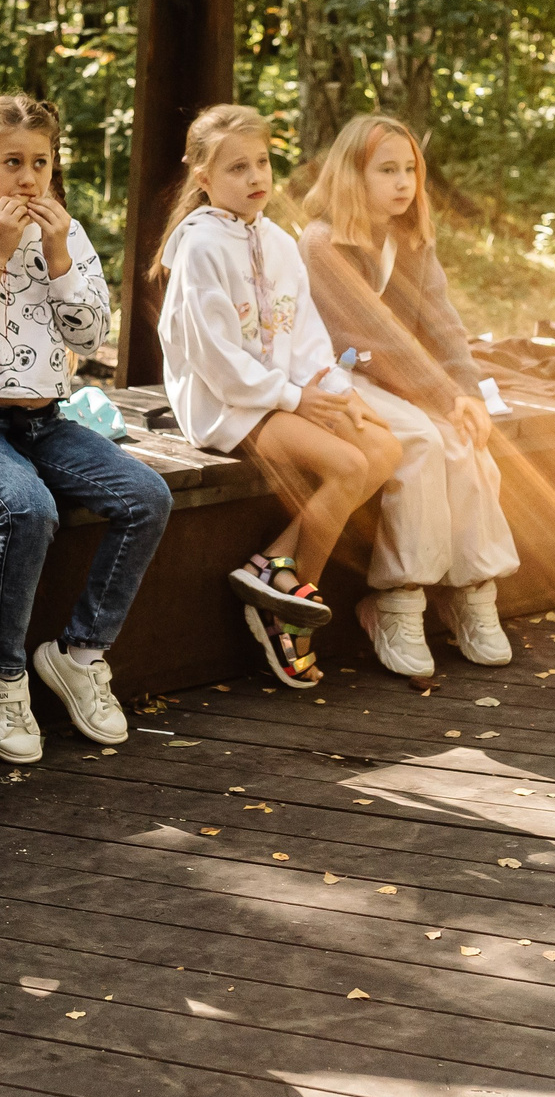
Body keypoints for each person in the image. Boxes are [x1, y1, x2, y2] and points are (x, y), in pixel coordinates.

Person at [0, 93, 171, 765]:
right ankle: (1, 673)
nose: (29, 178)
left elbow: (91, 336)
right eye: (12, 162)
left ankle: (79, 655)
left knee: (147, 495)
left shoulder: (69, 236)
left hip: (44, 423)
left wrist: (58, 257)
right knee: (29, 507)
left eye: (40, 162)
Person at [156, 104, 401, 688]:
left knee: (385, 448)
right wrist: (294, 399)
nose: (255, 177)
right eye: (237, 167)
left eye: (262, 162)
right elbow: (218, 361)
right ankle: (289, 616)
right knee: (347, 466)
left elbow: (307, 335)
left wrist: (337, 392)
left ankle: (270, 566)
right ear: (203, 177)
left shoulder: (279, 241)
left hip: (283, 395)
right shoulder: (200, 248)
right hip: (226, 404)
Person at [300, 114, 519, 677]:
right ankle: (396, 600)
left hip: (405, 378)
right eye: (386, 170)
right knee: (421, 441)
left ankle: (471, 590)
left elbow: (442, 325)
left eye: (410, 170)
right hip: (339, 378)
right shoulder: (322, 243)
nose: (403, 183)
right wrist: (444, 395)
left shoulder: (411, 238)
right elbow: (375, 338)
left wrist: (465, 393)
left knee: (465, 442)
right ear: (353, 174)